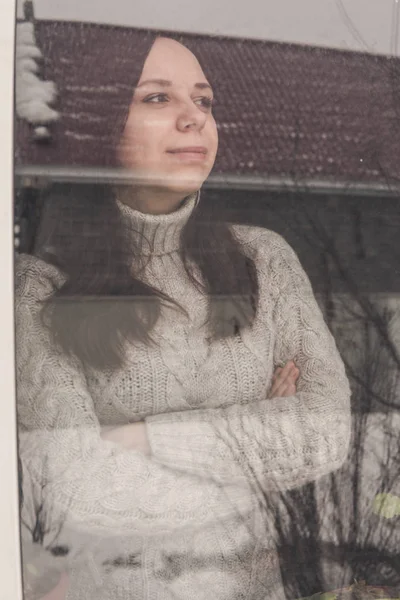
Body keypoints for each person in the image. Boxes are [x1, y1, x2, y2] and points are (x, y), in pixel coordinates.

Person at [16, 33, 351, 600]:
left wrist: (142, 439)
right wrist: (259, 444)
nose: (194, 118)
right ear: (100, 128)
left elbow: (328, 429)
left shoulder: (262, 259)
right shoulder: (36, 285)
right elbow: (82, 489)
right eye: (156, 98)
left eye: (204, 100)